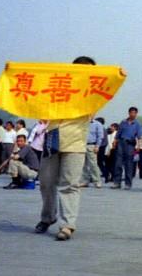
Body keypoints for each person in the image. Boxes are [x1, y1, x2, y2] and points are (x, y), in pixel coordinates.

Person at [35, 55, 97, 241]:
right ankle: (48, 217)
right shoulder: (58, 85)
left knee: (69, 184)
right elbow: (38, 92)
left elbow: (110, 87)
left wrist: (118, 75)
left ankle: (67, 224)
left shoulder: (93, 92)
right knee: (45, 182)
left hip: (76, 142)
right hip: (53, 137)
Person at [112, 107, 142, 190]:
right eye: (131, 112)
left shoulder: (137, 124)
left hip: (130, 145)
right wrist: (115, 142)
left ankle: (128, 183)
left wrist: (139, 146)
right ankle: (117, 182)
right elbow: (118, 134)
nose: (132, 114)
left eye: (134, 113)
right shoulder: (123, 122)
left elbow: (139, 136)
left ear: (136, 114)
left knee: (129, 164)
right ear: (128, 113)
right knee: (118, 163)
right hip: (121, 143)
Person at [80, 117, 104, 188]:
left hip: (91, 145)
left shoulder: (97, 124)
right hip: (82, 145)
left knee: (93, 164)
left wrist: (97, 146)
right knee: (83, 165)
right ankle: (84, 181)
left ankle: (97, 181)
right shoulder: (82, 123)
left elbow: (100, 136)